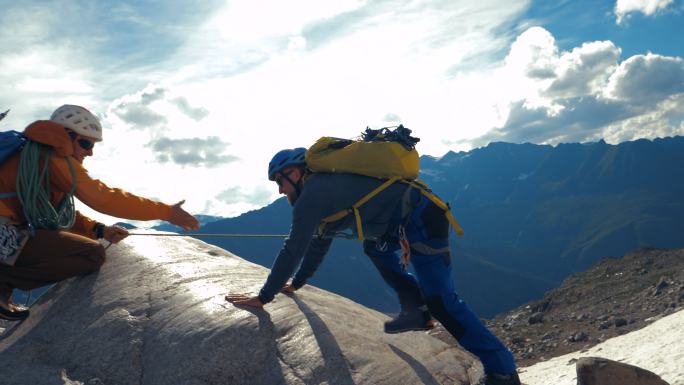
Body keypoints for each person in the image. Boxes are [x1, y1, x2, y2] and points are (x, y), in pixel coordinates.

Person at [226, 148, 520, 385]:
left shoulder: (313, 194)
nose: (280, 190)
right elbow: (317, 244)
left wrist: (265, 296)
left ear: (298, 171)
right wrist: (297, 283)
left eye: (281, 179)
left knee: (443, 302)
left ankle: (503, 372)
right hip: (403, 223)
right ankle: (416, 310)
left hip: (421, 218)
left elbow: (294, 248)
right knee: (374, 247)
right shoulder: (319, 191)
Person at [0, 104, 200, 321]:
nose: (90, 152)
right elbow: (103, 197)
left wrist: (99, 229)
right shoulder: (54, 157)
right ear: (67, 135)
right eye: (85, 143)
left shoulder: (30, 152)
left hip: (7, 228)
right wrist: (166, 211)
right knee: (91, 254)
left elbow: (50, 211)